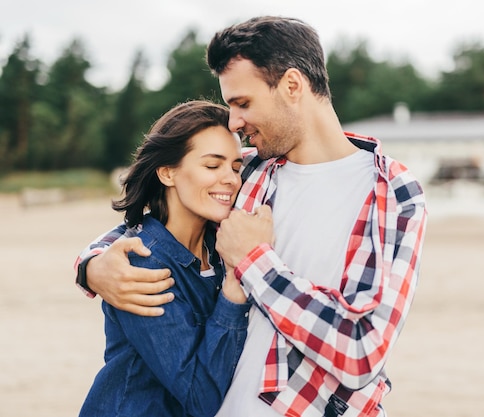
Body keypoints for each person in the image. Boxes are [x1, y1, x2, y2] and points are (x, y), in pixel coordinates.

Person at [75, 16, 427, 417]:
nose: (234, 121)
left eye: (242, 103)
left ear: (292, 86)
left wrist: (255, 262)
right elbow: (158, 218)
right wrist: (92, 265)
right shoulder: (248, 170)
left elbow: (362, 352)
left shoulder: (392, 193)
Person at [77, 100, 251, 417]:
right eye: (212, 166)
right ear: (168, 172)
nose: (231, 179)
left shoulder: (221, 248)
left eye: (236, 167)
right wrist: (235, 284)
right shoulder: (143, 263)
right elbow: (202, 398)